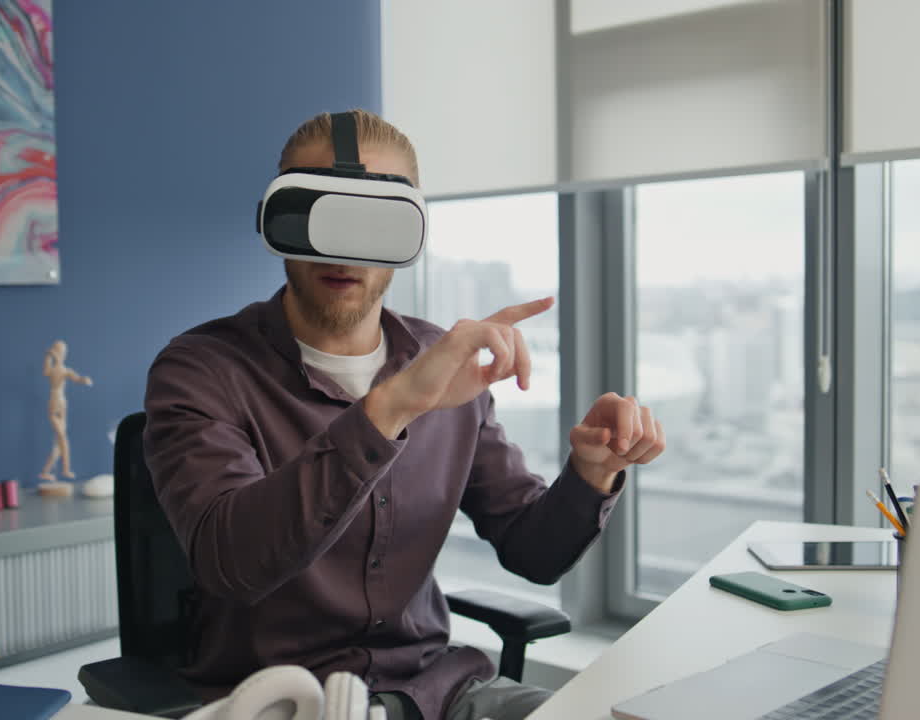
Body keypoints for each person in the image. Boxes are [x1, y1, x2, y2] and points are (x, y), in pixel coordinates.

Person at [143, 110, 665, 720]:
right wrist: (388, 408)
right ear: (276, 220)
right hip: (281, 701)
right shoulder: (201, 369)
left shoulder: (446, 364)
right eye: (320, 216)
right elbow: (231, 563)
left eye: (374, 222)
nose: (343, 251)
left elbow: (533, 551)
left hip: (435, 692)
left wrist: (590, 472)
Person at [39, 339, 93, 484]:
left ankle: (46, 472)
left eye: (63, 352)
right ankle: (65, 469)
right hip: (54, 402)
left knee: (58, 443)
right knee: (62, 438)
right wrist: (49, 356)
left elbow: (76, 378)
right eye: (60, 351)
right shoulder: (53, 369)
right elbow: (45, 371)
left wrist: (85, 380)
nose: (62, 354)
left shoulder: (65, 370)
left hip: (63, 403)